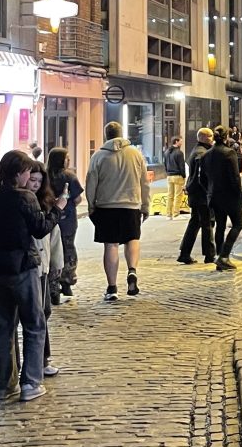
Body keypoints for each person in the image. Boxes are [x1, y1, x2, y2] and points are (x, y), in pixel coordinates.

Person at [0, 149, 61, 403]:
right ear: (18, 173)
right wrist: (58, 210)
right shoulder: (25, 198)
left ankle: (4, 386)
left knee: (4, 326)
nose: (29, 176)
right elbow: (40, 229)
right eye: (26, 172)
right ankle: (31, 383)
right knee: (34, 324)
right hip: (21, 268)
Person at [85, 121, 150, 302]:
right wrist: (145, 205)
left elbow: (91, 182)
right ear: (122, 133)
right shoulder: (136, 154)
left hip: (106, 207)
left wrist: (91, 205)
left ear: (106, 135)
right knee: (132, 239)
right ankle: (132, 271)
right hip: (131, 205)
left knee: (111, 245)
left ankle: (112, 287)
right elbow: (144, 182)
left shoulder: (98, 156)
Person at [26, 161, 63, 378]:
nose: (35, 185)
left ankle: (43, 359)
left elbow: (53, 237)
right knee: (37, 316)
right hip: (31, 266)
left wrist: (56, 264)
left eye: (39, 181)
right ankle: (37, 363)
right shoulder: (24, 203)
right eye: (32, 180)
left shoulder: (44, 203)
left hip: (44, 265)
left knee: (44, 312)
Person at [201, 125, 242, 271]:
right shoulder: (229, 153)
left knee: (220, 225)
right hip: (229, 196)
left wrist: (210, 191)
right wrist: (240, 195)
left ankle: (219, 255)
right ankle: (224, 256)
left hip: (214, 196)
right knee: (238, 224)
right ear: (226, 137)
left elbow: (202, 179)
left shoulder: (206, 155)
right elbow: (234, 177)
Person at [46, 147, 84, 300]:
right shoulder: (69, 176)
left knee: (50, 251)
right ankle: (67, 281)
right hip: (67, 220)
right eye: (67, 157)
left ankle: (52, 284)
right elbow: (77, 199)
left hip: (49, 220)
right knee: (68, 249)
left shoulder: (45, 176)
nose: (68, 160)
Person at [178, 128, 216, 265]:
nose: (213, 138)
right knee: (207, 224)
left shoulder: (197, 150)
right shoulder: (202, 153)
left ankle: (185, 253)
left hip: (196, 194)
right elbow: (201, 177)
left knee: (195, 223)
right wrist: (209, 191)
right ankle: (210, 255)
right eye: (211, 136)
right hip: (201, 195)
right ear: (205, 137)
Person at [163, 136, 187, 219]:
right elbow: (182, 166)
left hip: (169, 176)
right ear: (176, 142)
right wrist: (184, 176)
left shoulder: (166, 152)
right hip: (178, 176)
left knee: (170, 195)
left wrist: (168, 173)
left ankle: (168, 214)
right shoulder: (179, 153)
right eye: (180, 141)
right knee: (178, 196)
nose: (181, 143)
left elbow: (165, 165)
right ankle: (176, 214)